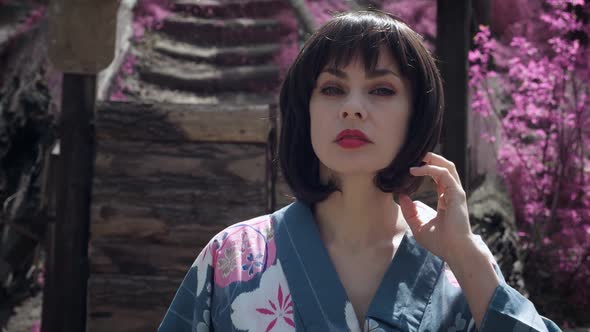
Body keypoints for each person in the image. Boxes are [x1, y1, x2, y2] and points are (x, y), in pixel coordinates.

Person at [158, 9, 561, 332]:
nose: (352, 107)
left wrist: (467, 255)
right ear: (306, 111)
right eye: (332, 89)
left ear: (415, 118)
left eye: (381, 90)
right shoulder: (234, 255)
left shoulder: (463, 265)